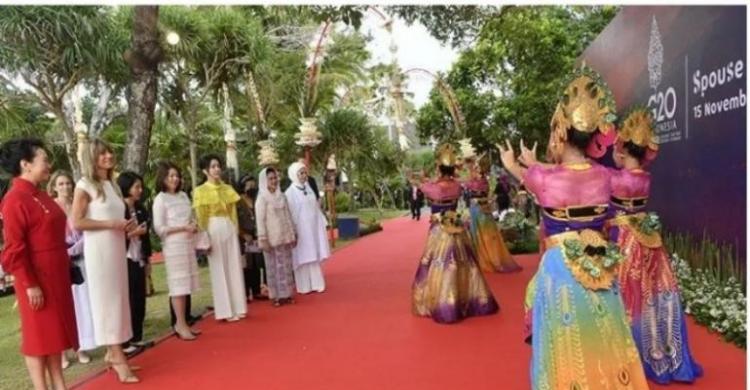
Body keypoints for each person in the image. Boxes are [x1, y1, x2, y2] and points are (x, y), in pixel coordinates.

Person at [499, 65, 648, 389]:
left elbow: (532, 174)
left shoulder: (542, 177)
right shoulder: (607, 176)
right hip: (599, 261)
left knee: (564, 340)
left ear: (560, 132)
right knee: (606, 333)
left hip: (560, 267)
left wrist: (515, 161)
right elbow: (629, 179)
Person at [606, 108, 702, 383]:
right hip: (648, 237)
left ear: (623, 150)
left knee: (629, 295)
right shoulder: (645, 178)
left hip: (625, 239)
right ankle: (661, 349)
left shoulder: (617, 179)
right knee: (654, 292)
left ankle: (633, 353)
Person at [0, 138, 78, 390]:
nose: (49, 165)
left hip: (55, 275)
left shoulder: (41, 194)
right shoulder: (14, 199)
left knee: (53, 336)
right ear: (26, 164)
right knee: (38, 338)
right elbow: (14, 249)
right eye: (44, 160)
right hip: (35, 279)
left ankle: (59, 384)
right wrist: (30, 283)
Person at [72, 138, 139, 383]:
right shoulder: (84, 185)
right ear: (92, 157)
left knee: (119, 300)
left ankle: (114, 351)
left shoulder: (112, 185)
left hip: (116, 248)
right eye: (102, 154)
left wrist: (125, 227)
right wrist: (111, 224)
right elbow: (76, 222)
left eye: (110, 151)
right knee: (107, 302)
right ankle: (118, 356)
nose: (108, 156)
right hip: (98, 251)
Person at [412, 144, 499, 324]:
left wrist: (424, 176)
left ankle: (443, 303)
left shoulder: (434, 187)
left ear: (439, 168)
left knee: (439, 264)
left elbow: (421, 185)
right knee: (463, 263)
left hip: (439, 230)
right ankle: (465, 299)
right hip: (457, 228)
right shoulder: (457, 186)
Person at [49, 171, 95, 368]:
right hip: (61, 262)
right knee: (61, 309)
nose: (66, 187)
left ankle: (81, 347)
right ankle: (61, 354)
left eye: (68, 183)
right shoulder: (51, 208)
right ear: (54, 187)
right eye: (61, 183)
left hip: (81, 259)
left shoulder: (79, 205)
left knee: (81, 304)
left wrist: (79, 246)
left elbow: (86, 228)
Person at [193, 154, 247, 321]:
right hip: (213, 226)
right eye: (213, 166)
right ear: (205, 170)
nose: (217, 169)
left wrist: (236, 230)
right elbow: (201, 216)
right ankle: (225, 310)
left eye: (218, 166)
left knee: (234, 265)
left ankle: (239, 306)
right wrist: (204, 235)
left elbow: (233, 212)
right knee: (219, 267)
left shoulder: (227, 189)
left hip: (229, 226)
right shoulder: (200, 191)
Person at [153, 161, 202, 340]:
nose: (175, 179)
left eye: (176, 176)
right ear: (163, 179)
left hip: (187, 244)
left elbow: (189, 216)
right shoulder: (160, 199)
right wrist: (182, 228)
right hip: (173, 246)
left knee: (186, 284)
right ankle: (179, 323)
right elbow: (159, 228)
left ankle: (184, 321)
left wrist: (193, 225)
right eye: (171, 176)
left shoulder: (183, 196)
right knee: (178, 285)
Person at [117, 171, 154, 354]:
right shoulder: (118, 209)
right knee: (129, 299)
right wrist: (133, 234)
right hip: (124, 258)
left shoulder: (140, 208)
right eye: (136, 187)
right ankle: (126, 341)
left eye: (140, 186)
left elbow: (145, 235)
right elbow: (115, 236)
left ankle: (137, 337)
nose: (140, 190)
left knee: (140, 298)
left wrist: (147, 259)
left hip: (139, 256)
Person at [285, 162, 330, 294]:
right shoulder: (290, 193)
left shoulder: (308, 188)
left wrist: (321, 222)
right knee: (302, 257)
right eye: (301, 173)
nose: (304, 176)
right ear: (294, 175)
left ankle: (316, 284)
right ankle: (304, 286)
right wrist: (294, 230)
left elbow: (315, 208)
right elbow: (291, 213)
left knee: (313, 256)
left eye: (305, 173)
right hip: (300, 230)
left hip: (312, 229)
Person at [256, 167, 297, 306]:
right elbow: (260, 220)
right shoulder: (262, 198)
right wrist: (263, 238)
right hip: (271, 238)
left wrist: (293, 233)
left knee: (286, 265)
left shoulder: (282, 196)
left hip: (284, 236)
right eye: (270, 179)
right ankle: (276, 296)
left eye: (275, 178)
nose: (274, 181)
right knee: (273, 266)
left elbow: (288, 215)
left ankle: (288, 294)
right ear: (264, 181)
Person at [236, 174, 268, 301]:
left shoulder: (256, 199)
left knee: (256, 263)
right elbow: (235, 220)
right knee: (246, 266)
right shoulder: (238, 201)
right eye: (249, 184)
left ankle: (256, 291)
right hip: (244, 237)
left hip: (255, 235)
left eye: (253, 184)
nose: (252, 186)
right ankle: (245, 293)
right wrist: (243, 234)